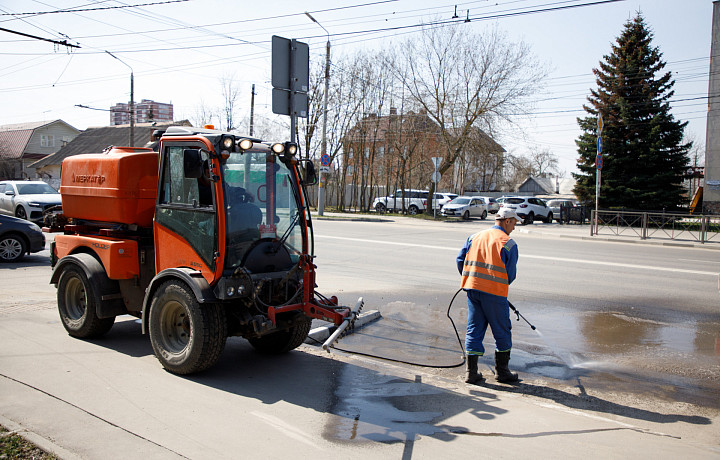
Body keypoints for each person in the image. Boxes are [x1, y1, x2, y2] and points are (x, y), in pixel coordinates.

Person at [456, 207, 522, 384]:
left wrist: (471, 278)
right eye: (514, 223)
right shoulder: (508, 243)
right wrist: (497, 286)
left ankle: (471, 373)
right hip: (494, 294)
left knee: (474, 329)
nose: (514, 227)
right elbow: (510, 275)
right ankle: (502, 372)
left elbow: (460, 260)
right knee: (502, 330)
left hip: (473, 290)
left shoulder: (474, 237)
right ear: (507, 221)